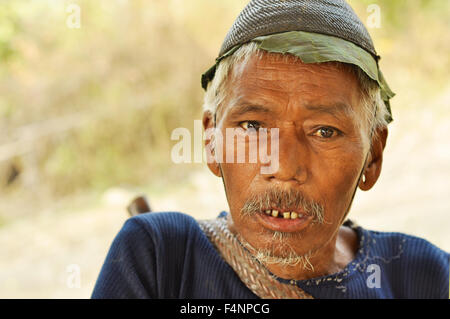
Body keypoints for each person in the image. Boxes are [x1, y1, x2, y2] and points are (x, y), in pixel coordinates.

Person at [92, 0, 449, 299]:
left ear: (372, 156)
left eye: (324, 131)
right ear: (212, 142)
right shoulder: (160, 257)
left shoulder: (423, 276)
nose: (283, 166)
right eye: (253, 127)